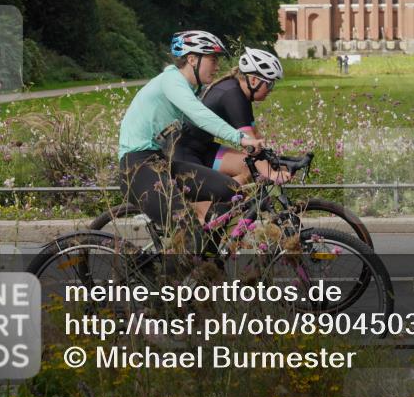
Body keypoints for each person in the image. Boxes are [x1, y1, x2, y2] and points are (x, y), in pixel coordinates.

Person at [117, 30, 263, 254]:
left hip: (158, 162)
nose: (217, 66)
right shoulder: (171, 80)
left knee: (230, 190)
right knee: (190, 233)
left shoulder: (189, 88)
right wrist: (241, 138)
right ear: (192, 59)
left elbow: (197, 123)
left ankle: (209, 258)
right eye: (213, 59)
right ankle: (176, 284)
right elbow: (199, 115)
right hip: (137, 167)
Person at [169, 47, 290, 186]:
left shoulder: (241, 93)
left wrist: (276, 163)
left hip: (205, 148)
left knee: (250, 168)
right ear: (254, 80)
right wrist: (272, 173)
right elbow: (250, 145)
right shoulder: (232, 95)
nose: (271, 90)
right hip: (183, 152)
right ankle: (225, 201)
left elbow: (255, 135)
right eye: (269, 84)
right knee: (211, 205)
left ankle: (232, 200)